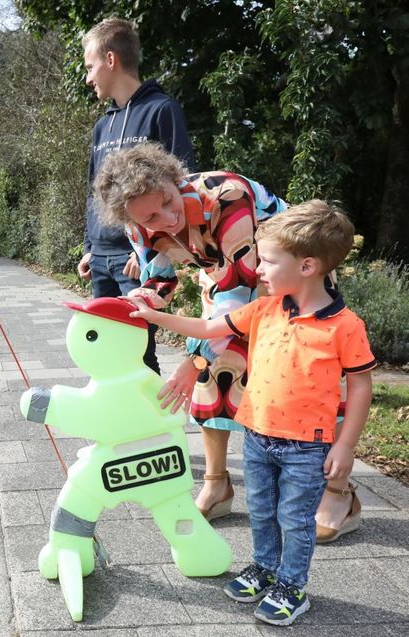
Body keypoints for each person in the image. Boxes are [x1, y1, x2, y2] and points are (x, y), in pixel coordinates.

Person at [93, 143, 363, 542]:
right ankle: (217, 483)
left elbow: (239, 288)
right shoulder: (138, 224)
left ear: (175, 178)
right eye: (151, 216)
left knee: (309, 382)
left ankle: (339, 492)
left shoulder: (228, 196)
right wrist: (134, 306)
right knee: (216, 376)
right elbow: (160, 279)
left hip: (292, 280)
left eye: (168, 201)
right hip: (224, 282)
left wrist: (191, 360)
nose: (166, 219)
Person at [126, 200, 374, 626]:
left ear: (308, 266)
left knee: (294, 520)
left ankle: (292, 587)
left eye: (269, 260)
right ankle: (264, 568)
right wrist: (154, 316)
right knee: (261, 510)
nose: (257, 267)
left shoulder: (344, 325)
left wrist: (346, 445)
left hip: (307, 447)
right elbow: (208, 329)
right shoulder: (264, 310)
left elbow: (361, 385)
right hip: (257, 437)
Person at [78, 17, 195, 375]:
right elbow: (93, 192)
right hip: (101, 256)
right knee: (107, 351)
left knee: (140, 352)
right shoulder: (103, 125)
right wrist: (88, 246)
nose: (88, 77)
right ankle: (120, 427)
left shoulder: (162, 110)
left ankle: (151, 427)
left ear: (110, 60)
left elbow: (183, 187)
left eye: (89, 66)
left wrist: (151, 247)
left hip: (138, 259)